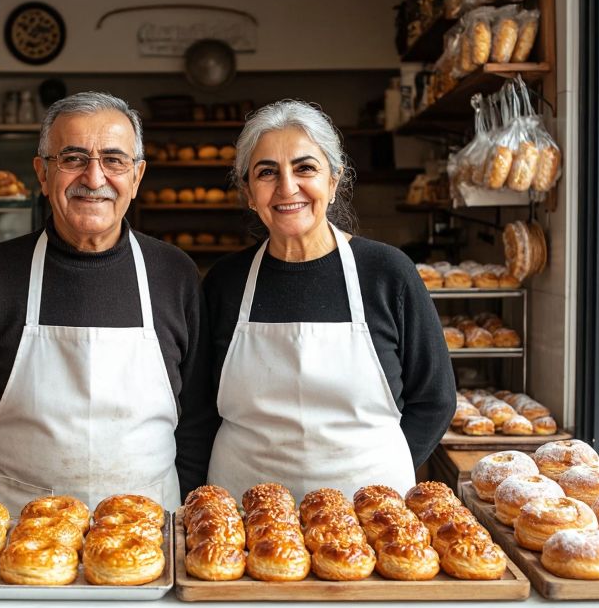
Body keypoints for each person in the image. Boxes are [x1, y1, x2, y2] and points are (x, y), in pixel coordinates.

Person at [0, 92, 207, 514]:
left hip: (148, 535)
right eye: (73, 158)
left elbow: (199, 422)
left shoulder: (174, 274)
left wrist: (183, 513)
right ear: (42, 172)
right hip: (13, 535)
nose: (94, 179)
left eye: (114, 160)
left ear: (137, 176)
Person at [191, 99, 456, 501]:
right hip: (245, 518)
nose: (287, 187)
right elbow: (199, 408)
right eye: (267, 172)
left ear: (334, 181)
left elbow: (435, 399)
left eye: (305, 168)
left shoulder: (387, 272)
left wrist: (383, 473)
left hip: (366, 517)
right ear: (248, 191)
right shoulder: (226, 282)